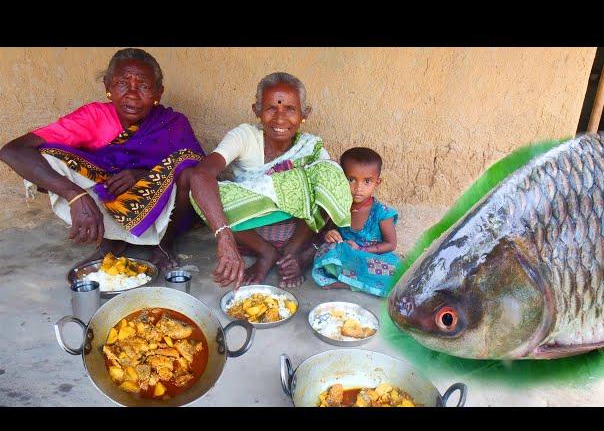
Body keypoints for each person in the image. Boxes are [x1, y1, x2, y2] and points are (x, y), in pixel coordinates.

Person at [0, 48, 205, 269]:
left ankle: (164, 245)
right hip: (108, 194)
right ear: (108, 87)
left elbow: (200, 170)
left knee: (187, 169)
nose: (132, 94)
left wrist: (144, 176)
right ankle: (110, 241)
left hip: (161, 209)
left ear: (158, 93)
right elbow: (12, 151)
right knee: (47, 158)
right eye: (122, 84)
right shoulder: (93, 117)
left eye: (144, 86)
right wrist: (74, 195)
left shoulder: (173, 122)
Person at [190, 72, 351, 290]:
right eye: (271, 108)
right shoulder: (244, 136)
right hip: (250, 229)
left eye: (290, 109)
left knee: (330, 172)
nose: (280, 118)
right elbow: (200, 175)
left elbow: (329, 196)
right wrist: (224, 238)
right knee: (203, 193)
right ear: (256, 111)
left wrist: (297, 251)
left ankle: (290, 255)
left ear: (305, 113)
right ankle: (266, 253)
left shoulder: (310, 147)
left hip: (296, 234)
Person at [311, 147, 400, 297]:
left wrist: (362, 250)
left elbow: (391, 244)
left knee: (394, 272)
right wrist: (329, 234)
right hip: (346, 254)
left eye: (367, 181)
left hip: (371, 257)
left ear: (377, 182)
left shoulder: (382, 213)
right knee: (327, 251)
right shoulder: (337, 205)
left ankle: (347, 282)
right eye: (351, 180)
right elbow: (326, 231)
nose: (358, 188)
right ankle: (356, 281)